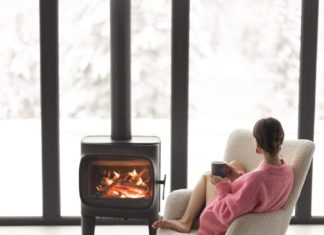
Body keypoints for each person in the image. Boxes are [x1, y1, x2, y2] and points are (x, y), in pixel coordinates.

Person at [152, 117, 294, 235]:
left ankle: (185, 222)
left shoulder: (257, 179)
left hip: (223, 223)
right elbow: (255, 192)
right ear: (280, 140)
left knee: (207, 176)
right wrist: (236, 177)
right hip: (249, 208)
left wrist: (222, 185)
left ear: (257, 143)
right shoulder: (286, 170)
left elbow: (227, 212)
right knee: (235, 164)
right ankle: (191, 220)